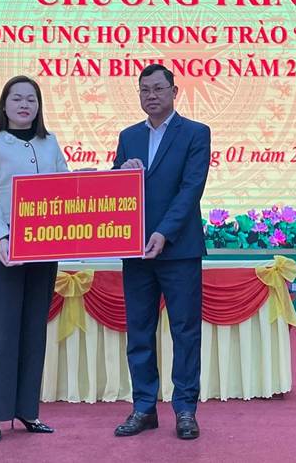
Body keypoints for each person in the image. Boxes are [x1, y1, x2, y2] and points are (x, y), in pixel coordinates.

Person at [112, 64, 211, 441]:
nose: (151, 95)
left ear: (174, 91)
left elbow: (190, 189)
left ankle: (185, 410)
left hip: (179, 250)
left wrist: (163, 233)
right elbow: (114, 190)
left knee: (185, 332)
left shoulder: (196, 133)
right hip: (136, 250)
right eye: (144, 90)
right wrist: (122, 171)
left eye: (158, 88)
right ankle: (143, 407)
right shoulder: (128, 136)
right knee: (139, 331)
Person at [0, 75, 69, 442]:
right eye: (17, 98)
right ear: (4, 104)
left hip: (44, 249)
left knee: (32, 329)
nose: (25, 104)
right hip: (7, 248)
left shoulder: (49, 142)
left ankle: (27, 410)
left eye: (31, 99)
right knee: (0, 331)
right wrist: (1, 239)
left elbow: (65, 187)